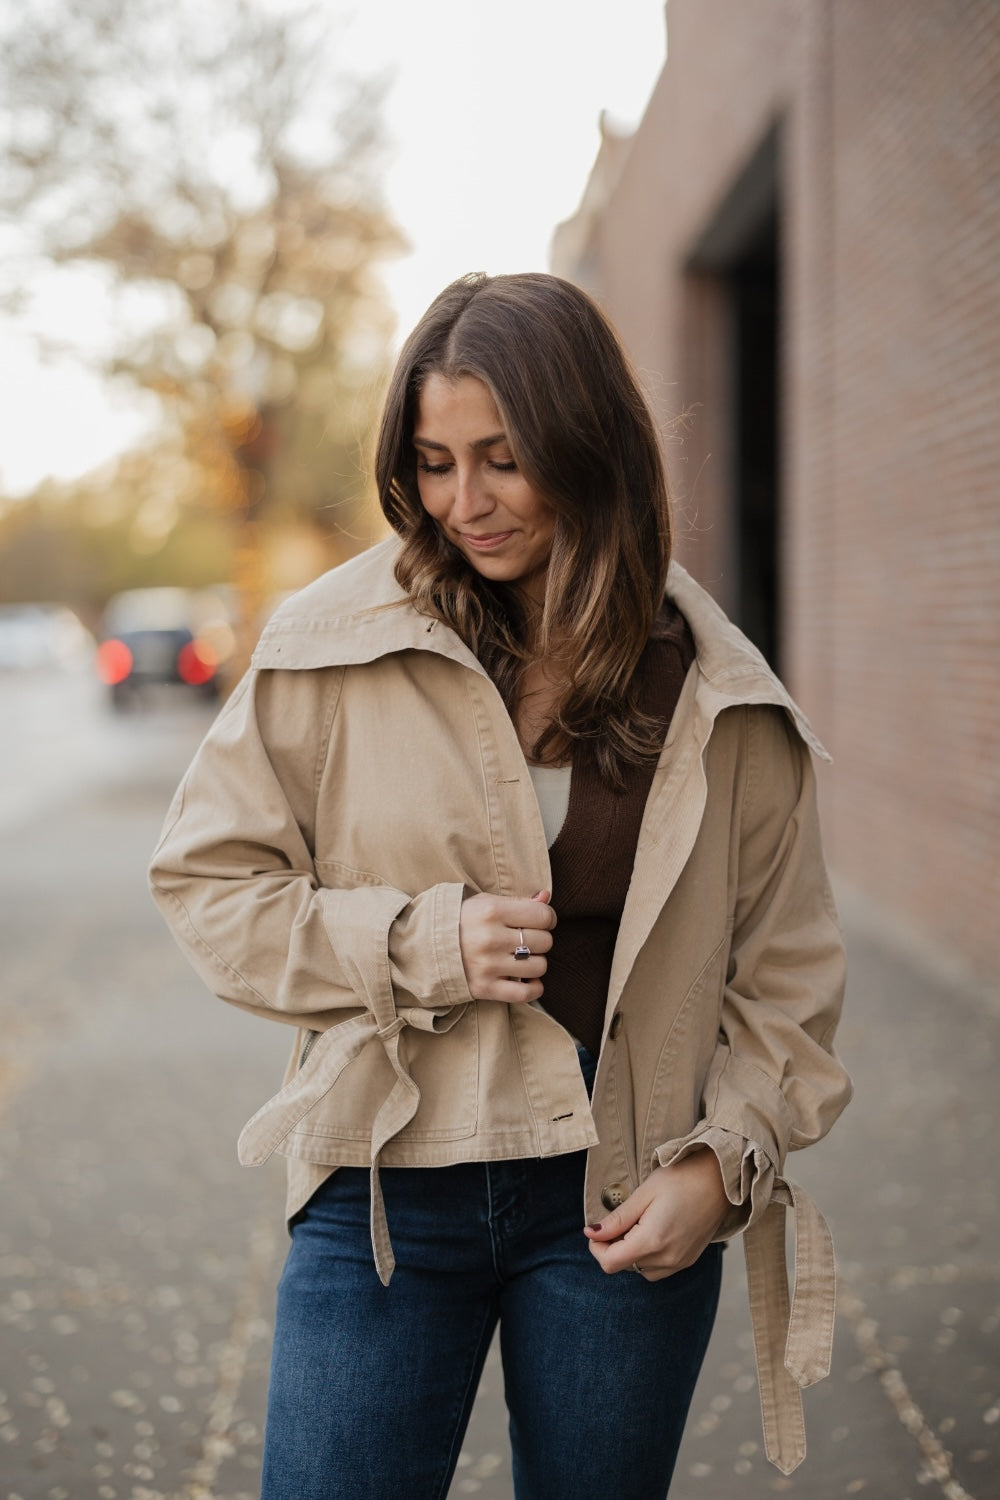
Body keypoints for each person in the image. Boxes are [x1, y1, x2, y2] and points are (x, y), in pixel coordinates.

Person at [149, 271, 852, 1499]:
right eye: (430, 462)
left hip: (624, 1195)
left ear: (589, 446)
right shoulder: (326, 645)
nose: (461, 503)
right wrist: (418, 943)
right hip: (382, 1185)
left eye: (501, 460)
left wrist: (722, 1164)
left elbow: (786, 976)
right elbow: (210, 885)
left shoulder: (720, 693)